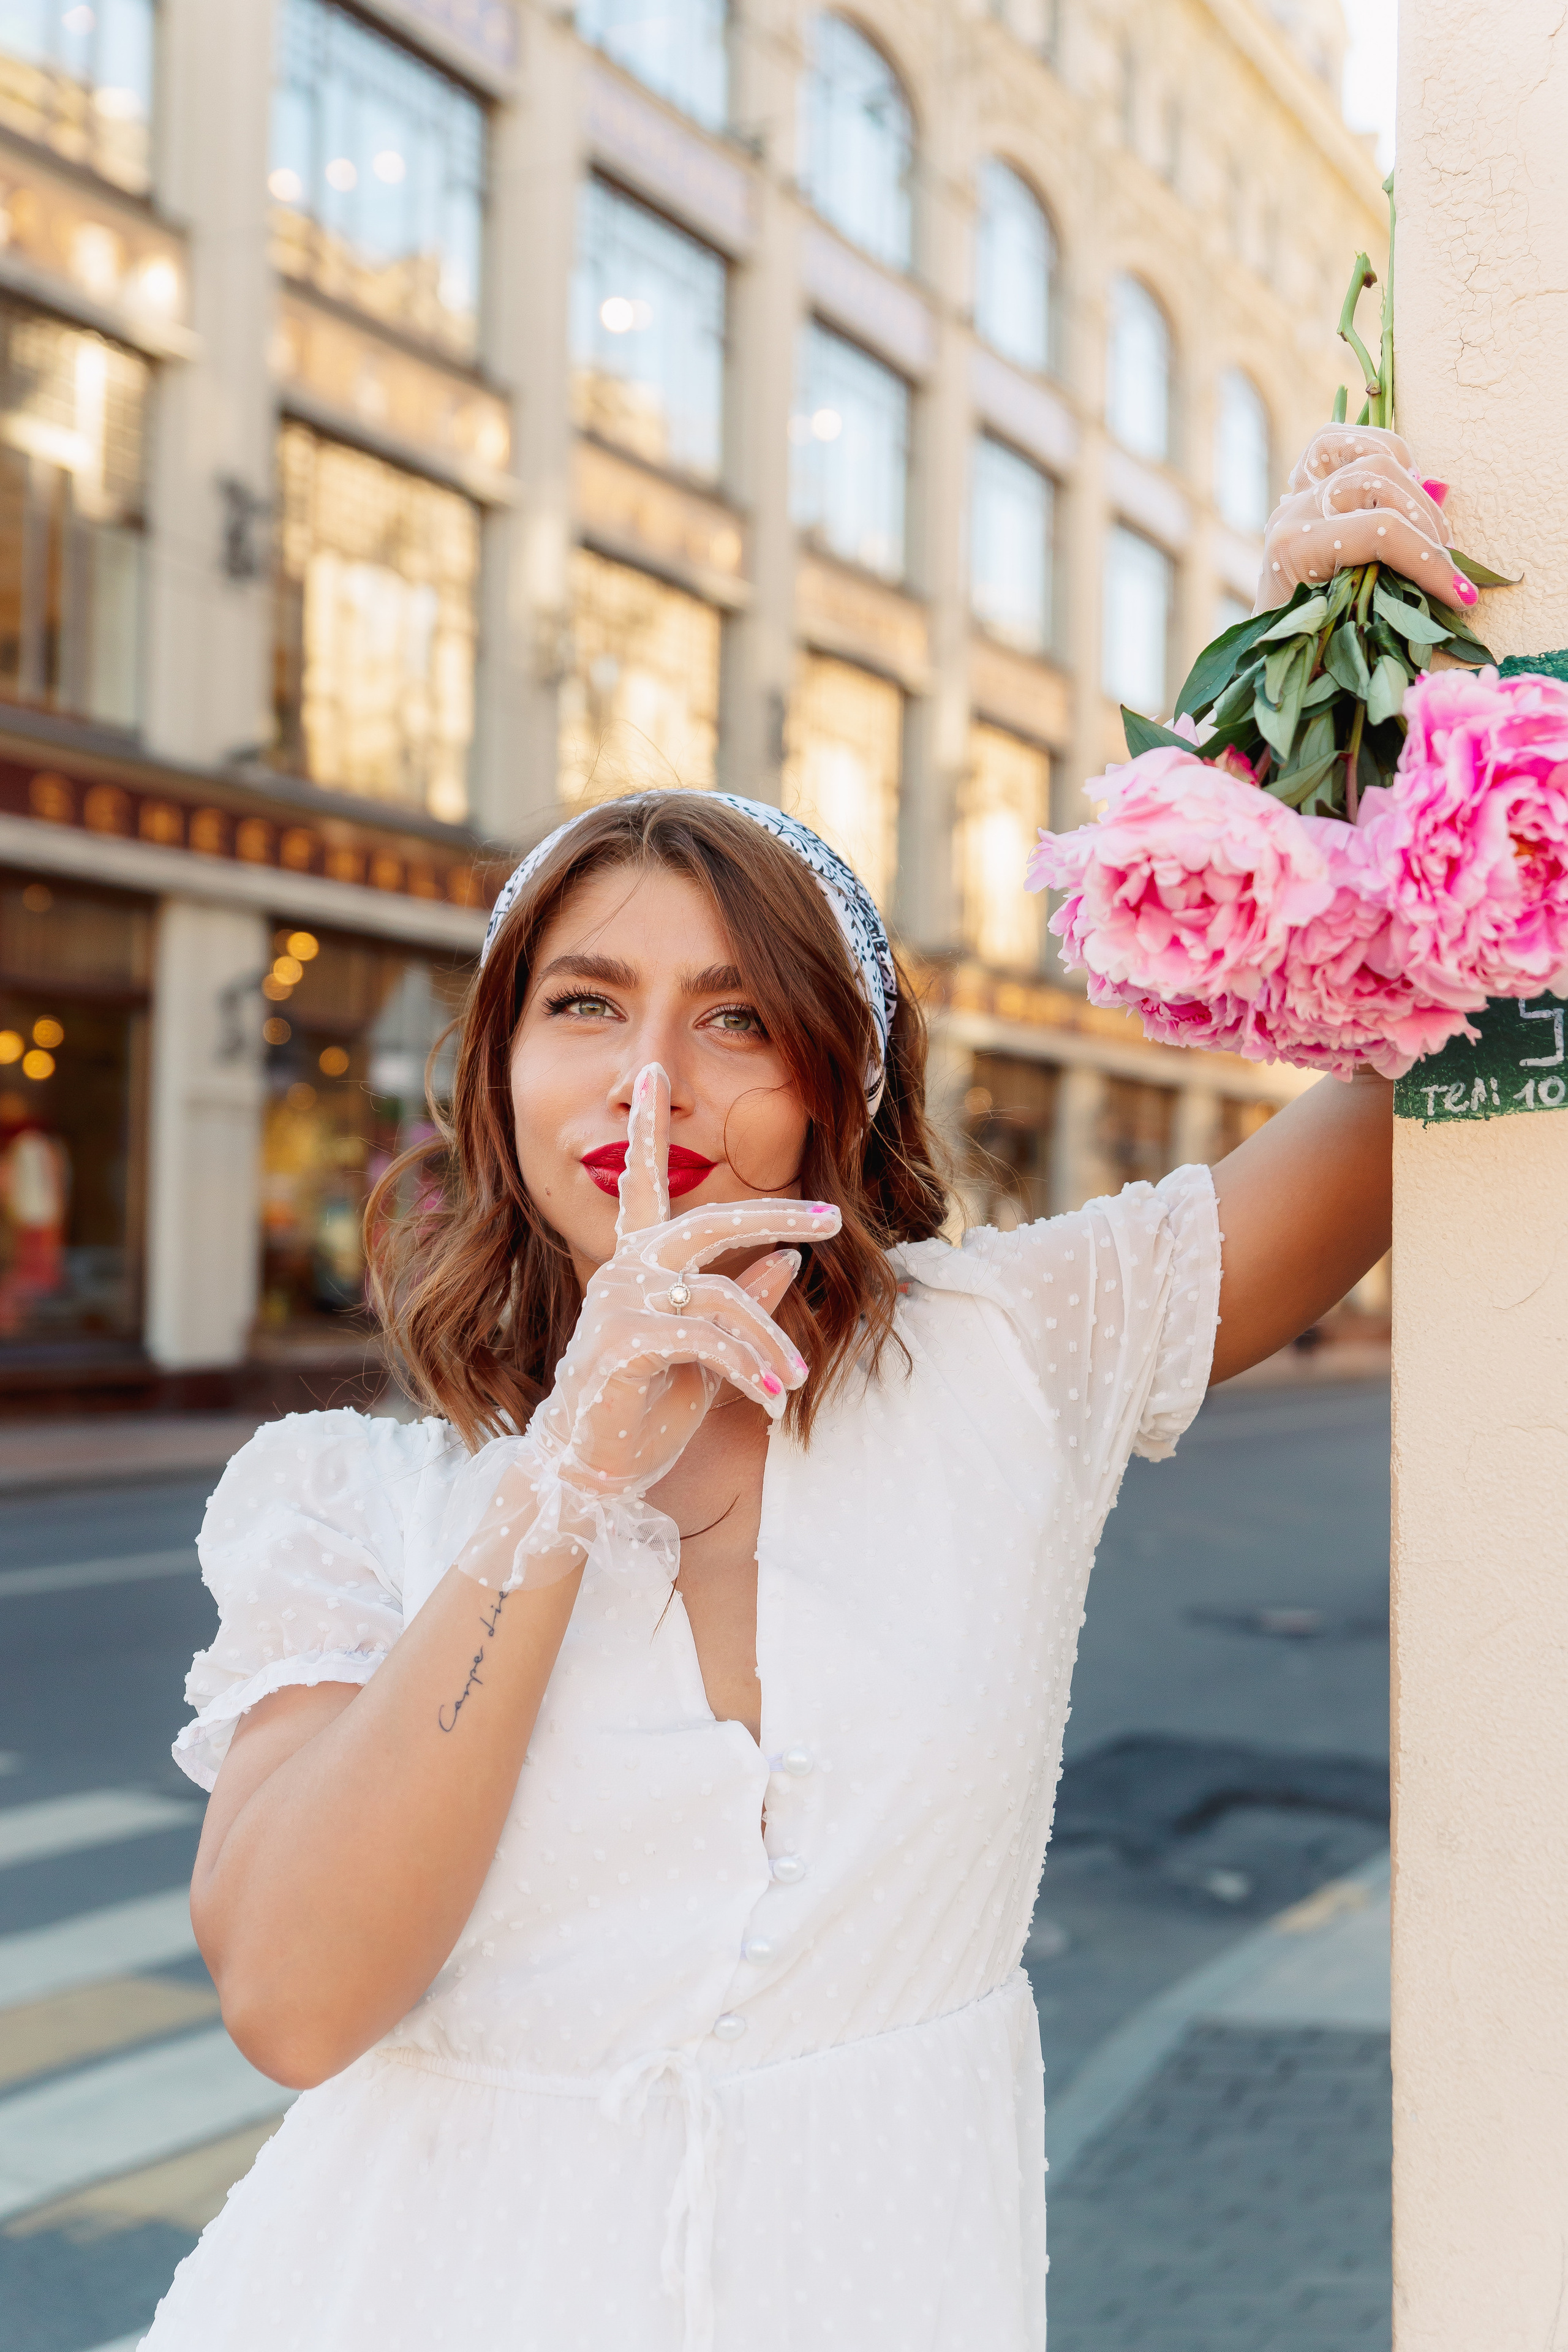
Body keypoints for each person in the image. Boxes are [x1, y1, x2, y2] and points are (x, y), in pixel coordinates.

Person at [146, 778, 1391, 2351]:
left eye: (736, 1021)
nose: (648, 1082)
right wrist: (570, 1470)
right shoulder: (350, 1498)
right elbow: (294, 1999)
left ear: (836, 1089)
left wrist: (1351, 664)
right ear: (500, 1068)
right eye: (586, 1004)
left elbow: (1439, 1050)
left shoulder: (1010, 1357)